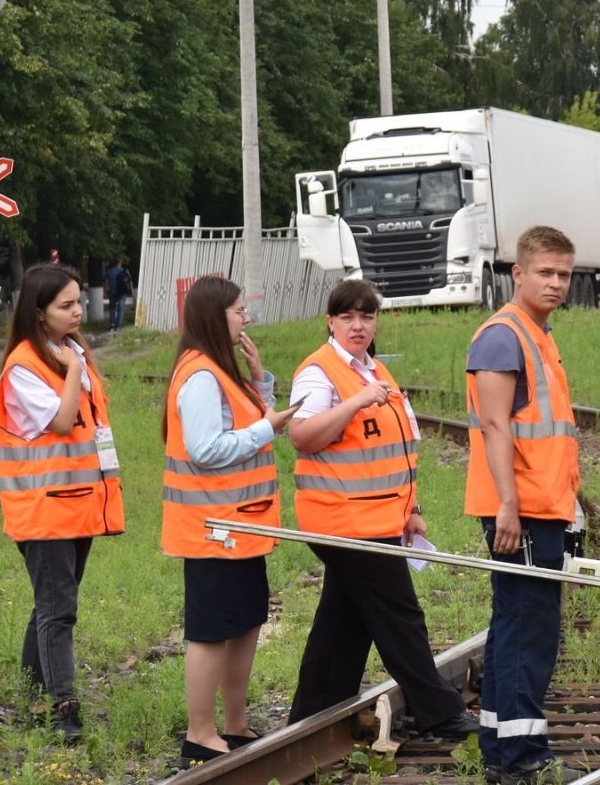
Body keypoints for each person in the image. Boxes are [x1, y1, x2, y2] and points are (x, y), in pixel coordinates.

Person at [286, 279, 478, 741]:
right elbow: (301, 435)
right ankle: (440, 712)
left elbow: (393, 453)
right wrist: (352, 403)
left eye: (366, 317)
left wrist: (411, 509)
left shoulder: (375, 371)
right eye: (347, 317)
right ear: (330, 321)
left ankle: (313, 715)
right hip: (342, 520)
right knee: (400, 615)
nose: (358, 325)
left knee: (344, 618)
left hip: (376, 519)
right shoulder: (320, 372)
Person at [160, 277, 298, 766]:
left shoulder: (223, 369)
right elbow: (207, 449)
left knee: (245, 622)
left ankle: (235, 725)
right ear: (216, 316)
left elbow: (243, 424)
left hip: (242, 527)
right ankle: (201, 732)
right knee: (211, 630)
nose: (247, 318)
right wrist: (269, 426)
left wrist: (261, 381)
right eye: (240, 310)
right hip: (212, 529)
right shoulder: (199, 375)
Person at [465, 226, 584, 785]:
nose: (556, 283)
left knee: (518, 620)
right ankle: (518, 758)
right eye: (546, 272)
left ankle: (498, 739)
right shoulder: (502, 337)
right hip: (522, 509)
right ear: (518, 273)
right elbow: (493, 426)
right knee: (527, 626)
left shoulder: (538, 334)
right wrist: (508, 507)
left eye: (564, 274)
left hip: (542, 504)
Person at [0, 264, 125, 744]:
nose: (77, 312)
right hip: (43, 509)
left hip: (76, 505)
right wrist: (72, 370)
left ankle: (31, 700)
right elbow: (65, 421)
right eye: (65, 305)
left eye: (76, 303)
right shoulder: (26, 366)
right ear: (39, 312)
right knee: (58, 611)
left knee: (51, 606)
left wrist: (74, 363)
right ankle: (62, 707)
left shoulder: (70, 351)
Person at [105, 258, 133, 332]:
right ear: (119, 263)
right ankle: (118, 326)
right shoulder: (125, 271)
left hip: (112, 292)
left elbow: (107, 282)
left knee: (112, 308)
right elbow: (129, 282)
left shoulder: (109, 272)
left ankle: (112, 324)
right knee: (121, 309)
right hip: (122, 293)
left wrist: (106, 290)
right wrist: (131, 291)